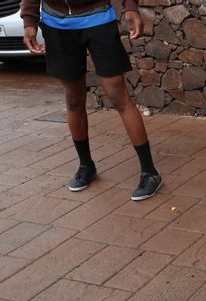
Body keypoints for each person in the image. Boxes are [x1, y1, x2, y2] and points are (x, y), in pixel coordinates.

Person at [20, 0, 162, 200]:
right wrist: (29, 22)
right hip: (56, 24)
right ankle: (86, 166)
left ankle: (150, 172)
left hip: (99, 19)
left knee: (119, 98)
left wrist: (131, 7)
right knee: (74, 100)